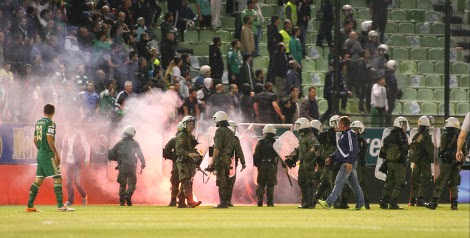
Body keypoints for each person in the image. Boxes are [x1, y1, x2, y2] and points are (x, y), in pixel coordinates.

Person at [26, 104, 75, 212]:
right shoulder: (50, 123)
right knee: (58, 178)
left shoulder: (38, 123)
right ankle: (60, 206)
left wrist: (41, 150)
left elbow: (35, 140)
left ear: (44, 111)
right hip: (48, 154)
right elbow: (49, 139)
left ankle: (29, 206)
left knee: (38, 179)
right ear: (53, 113)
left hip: (40, 154)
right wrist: (56, 154)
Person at [318, 116, 365, 210]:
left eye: (339, 122)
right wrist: (331, 157)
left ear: (343, 124)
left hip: (347, 163)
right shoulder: (344, 135)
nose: (337, 124)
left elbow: (353, 149)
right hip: (347, 162)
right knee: (355, 185)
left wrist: (349, 161)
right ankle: (361, 205)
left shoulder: (349, 134)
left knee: (339, 183)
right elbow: (340, 151)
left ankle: (328, 203)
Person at [426, 117, 467, 210]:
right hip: (457, 163)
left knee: (440, 182)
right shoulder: (461, 137)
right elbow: (465, 152)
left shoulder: (444, 136)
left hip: (446, 162)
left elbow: (442, 148)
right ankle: (454, 204)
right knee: (454, 184)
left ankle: (433, 203)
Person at [285, 117, 320, 208]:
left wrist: (309, 154)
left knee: (309, 182)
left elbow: (316, 145)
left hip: (309, 162)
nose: (297, 126)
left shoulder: (310, 136)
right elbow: (299, 149)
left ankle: (310, 202)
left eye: (299, 124)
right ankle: (305, 202)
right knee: (302, 181)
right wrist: (292, 156)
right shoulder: (302, 136)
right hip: (302, 162)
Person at [108, 125, 146, 206]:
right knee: (132, 182)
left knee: (122, 183)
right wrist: (143, 162)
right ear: (131, 132)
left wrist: (118, 158)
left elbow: (111, 154)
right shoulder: (135, 143)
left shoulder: (120, 143)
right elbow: (140, 153)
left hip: (122, 165)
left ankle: (122, 201)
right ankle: (128, 195)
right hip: (132, 164)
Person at [378, 116, 409, 210]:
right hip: (399, 162)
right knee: (399, 183)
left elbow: (382, 152)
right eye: (403, 124)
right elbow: (405, 149)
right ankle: (393, 203)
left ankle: (384, 201)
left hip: (389, 163)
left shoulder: (389, 135)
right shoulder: (401, 135)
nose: (405, 126)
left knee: (389, 183)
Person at [253, 124, 287, 207]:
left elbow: (255, 155)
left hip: (262, 165)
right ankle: (270, 202)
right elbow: (281, 155)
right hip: (272, 166)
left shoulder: (260, 142)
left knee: (261, 183)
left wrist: (257, 164)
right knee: (270, 184)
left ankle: (260, 200)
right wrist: (284, 166)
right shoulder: (276, 143)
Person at [207, 111, 235, 208]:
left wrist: (212, 161)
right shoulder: (231, 132)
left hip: (221, 159)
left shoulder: (219, 131)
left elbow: (216, 148)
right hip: (228, 159)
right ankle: (226, 201)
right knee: (226, 180)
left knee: (221, 180)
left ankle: (223, 202)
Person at [175, 116, 203, 208]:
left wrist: (197, 155)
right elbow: (179, 150)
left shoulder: (190, 136)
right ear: (184, 125)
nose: (192, 126)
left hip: (189, 162)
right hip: (183, 161)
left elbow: (191, 149)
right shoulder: (182, 136)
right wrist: (189, 154)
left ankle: (181, 202)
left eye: (192, 124)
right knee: (186, 181)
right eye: (189, 124)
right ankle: (190, 202)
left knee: (186, 182)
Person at [408, 116, 434, 207]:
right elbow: (429, 148)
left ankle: (412, 200)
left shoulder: (416, 134)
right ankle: (420, 198)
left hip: (415, 161)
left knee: (415, 179)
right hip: (424, 160)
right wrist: (432, 159)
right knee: (427, 178)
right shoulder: (426, 135)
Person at [62, 122, 90, 207]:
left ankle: (84, 196)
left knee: (77, 182)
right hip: (68, 161)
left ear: (71, 126)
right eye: (65, 126)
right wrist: (60, 163)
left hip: (77, 162)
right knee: (68, 183)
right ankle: (70, 201)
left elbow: (87, 146)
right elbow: (62, 150)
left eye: (66, 125)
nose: (65, 127)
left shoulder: (78, 135)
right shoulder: (65, 137)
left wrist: (87, 158)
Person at [163, 122, 184, 206]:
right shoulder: (176, 140)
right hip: (182, 164)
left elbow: (165, 151)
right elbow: (165, 151)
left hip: (177, 164)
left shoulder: (174, 139)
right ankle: (180, 200)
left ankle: (173, 200)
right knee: (183, 182)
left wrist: (173, 157)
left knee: (176, 182)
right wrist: (174, 156)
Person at [350, 121, 370, 209]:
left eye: (355, 130)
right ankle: (363, 203)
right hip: (357, 164)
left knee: (361, 184)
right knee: (357, 184)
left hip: (360, 164)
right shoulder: (357, 141)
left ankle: (364, 203)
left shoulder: (361, 141)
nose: (353, 132)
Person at [227, 121, 246, 206]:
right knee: (230, 182)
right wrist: (243, 163)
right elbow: (239, 151)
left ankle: (223, 201)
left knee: (223, 182)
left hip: (221, 163)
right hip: (232, 164)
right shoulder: (235, 139)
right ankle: (227, 201)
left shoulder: (220, 137)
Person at [384, 60, 398, 126]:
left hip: (389, 92)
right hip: (390, 93)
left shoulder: (387, 73)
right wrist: (395, 91)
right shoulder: (390, 74)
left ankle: (388, 121)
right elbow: (393, 83)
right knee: (390, 107)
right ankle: (388, 122)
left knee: (390, 107)